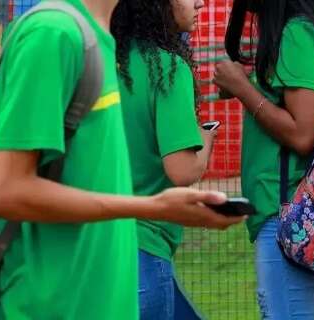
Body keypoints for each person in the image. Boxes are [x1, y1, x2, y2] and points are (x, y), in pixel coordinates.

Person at [0, 0, 245, 319]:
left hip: (110, 282)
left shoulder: (105, 46)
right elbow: (4, 188)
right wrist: (153, 207)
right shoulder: (54, 33)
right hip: (51, 299)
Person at [213, 0, 314, 319]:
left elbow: (302, 134)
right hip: (290, 210)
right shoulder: (303, 29)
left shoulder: (296, 33)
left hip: (287, 210)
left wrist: (243, 88)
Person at [111, 0, 211, 319]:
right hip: (144, 246)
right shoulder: (167, 68)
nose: (200, 2)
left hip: (91, 246)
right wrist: (206, 141)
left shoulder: (101, 64)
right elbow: (181, 171)